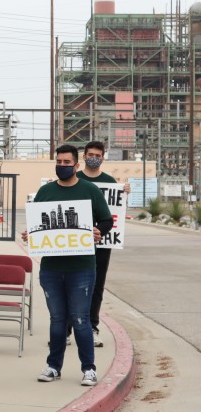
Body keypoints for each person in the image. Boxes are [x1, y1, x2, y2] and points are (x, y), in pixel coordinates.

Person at [21, 144, 112, 387]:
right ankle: (53, 366)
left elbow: (106, 220)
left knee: (81, 319)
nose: (62, 166)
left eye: (66, 163)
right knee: (57, 320)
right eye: (59, 162)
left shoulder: (90, 190)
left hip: (82, 267)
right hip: (51, 268)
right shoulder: (45, 192)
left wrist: (98, 231)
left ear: (76, 165)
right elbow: (38, 224)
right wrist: (30, 234)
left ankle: (89, 368)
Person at [72, 140, 131, 348]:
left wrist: (124, 193)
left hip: (102, 243)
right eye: (90, 154)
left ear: (103, 158)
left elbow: (116, 211)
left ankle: (92, 326)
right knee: (73, 284)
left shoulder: (109, 181)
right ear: (84, 156)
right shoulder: (74, 178)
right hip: (75, 242)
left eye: (97, 155)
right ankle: (70, 328)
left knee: (97, 285)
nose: (93, 158)